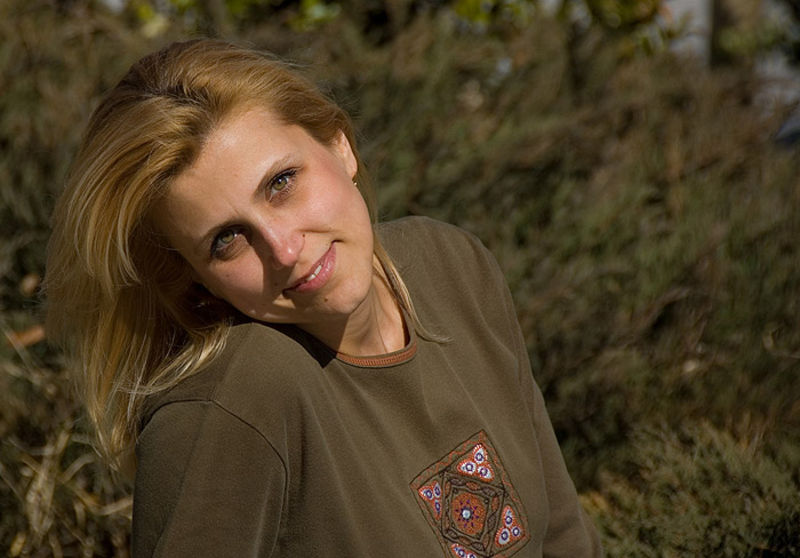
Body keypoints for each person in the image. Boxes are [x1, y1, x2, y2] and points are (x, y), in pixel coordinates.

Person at [45, 39, 602, 557]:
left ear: (340, 146)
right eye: (227, 239)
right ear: (196, 281)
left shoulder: (453, 267)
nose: (285, 249)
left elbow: (563, 537)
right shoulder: (233, 403)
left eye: (281, 183)